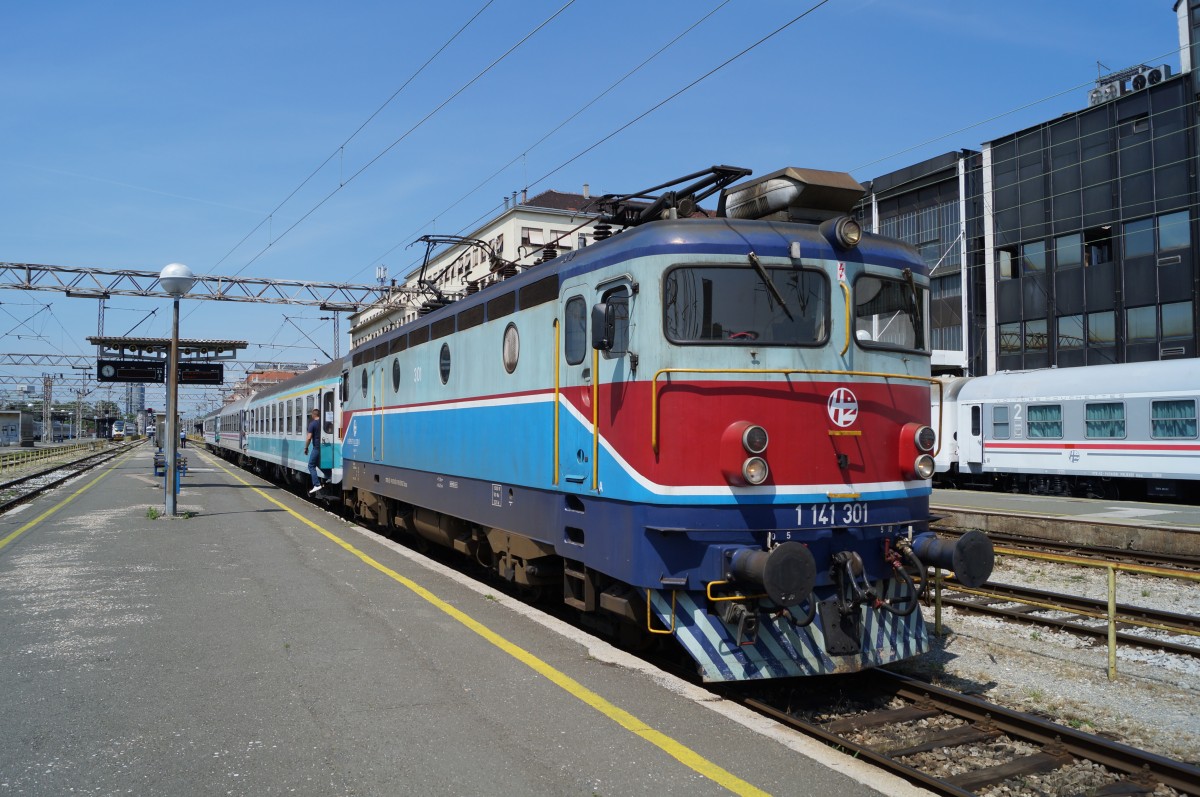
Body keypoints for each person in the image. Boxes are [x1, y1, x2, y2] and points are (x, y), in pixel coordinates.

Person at [303, 408, 322, 494]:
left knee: (311, 465)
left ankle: (317, 484)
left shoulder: (312, 424)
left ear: (313, 415)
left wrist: (306, 448)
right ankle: (329, 476)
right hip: (325, 447)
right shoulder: (323, 423)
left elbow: (309, 437)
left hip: (316, 447)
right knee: (319, 463)